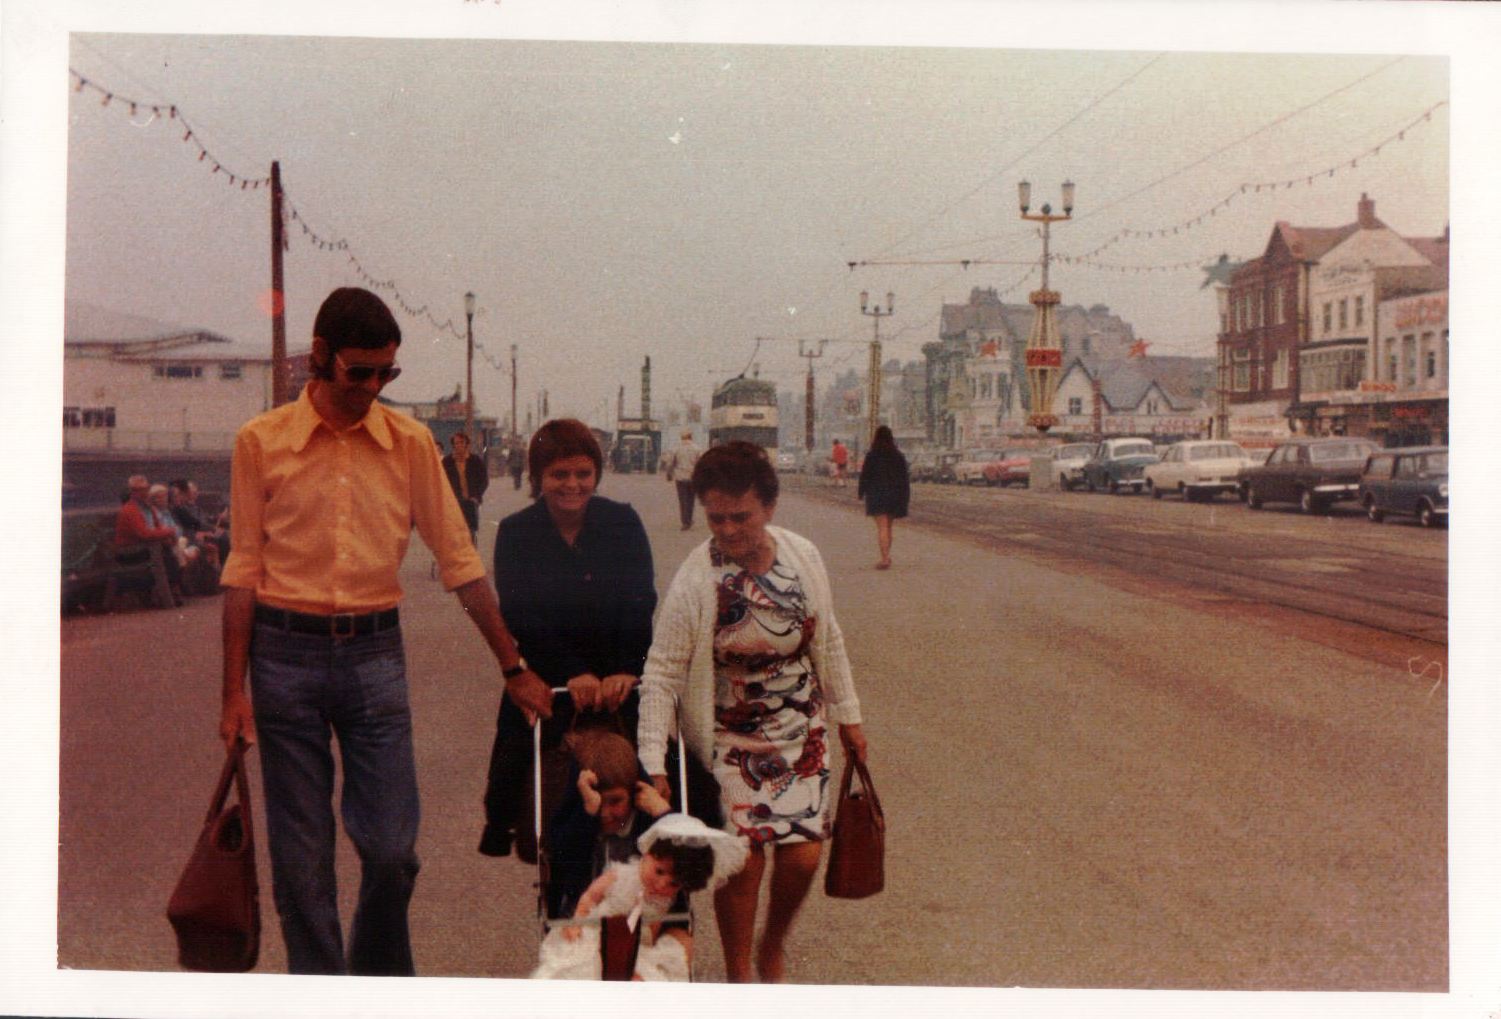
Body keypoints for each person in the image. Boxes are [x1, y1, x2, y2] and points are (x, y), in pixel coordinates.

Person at [217, 286, 552, 976]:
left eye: (385, 374)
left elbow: (459, 561)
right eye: (358, 371)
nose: (372, 387)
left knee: (393, 848)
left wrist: (512, 665)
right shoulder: (261, 441)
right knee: (302, 856)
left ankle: (376, 980)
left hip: (374, 654)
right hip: (282, 658)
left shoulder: (408, 443)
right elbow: (243, 570)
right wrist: (232, 693)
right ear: (320, 357)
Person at [636, 441, 870, 983]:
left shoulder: (802, 556)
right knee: (744, 864)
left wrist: (849, 718)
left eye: (740, 516)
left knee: (803, 859)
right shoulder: (697, 579)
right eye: (715, 517)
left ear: (769, 507)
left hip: (800, 733)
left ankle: (773, 943)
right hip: (730, 740)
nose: (727, 529)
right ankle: (741, 975)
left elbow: (827, 638)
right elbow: (662, 673)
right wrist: (654, 760)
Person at [479, 418, 657, 858]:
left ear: (597, 474)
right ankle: (504, 829)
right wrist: (571, 672)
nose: (572, 485)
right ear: (538, 476)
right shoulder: (517, 532)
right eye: (559, 474)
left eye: (583, 474)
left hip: (620, 672)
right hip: (550, 673)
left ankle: (672, 844)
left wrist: (625, 669)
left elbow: (641, 599)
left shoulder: (623, 522)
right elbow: (519, 613)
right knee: (515, 754)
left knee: (666, 763)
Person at [531, 812, 749, 981]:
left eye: (673, 883)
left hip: (636, 941)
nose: (662, 884)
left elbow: (653, 924)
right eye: (659, 871)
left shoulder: (664, 899)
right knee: (584, 966)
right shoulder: (620, 875)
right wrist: (578, 921)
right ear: (646, 856)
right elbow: (590, 897)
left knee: (642, 968)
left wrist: (647, 943)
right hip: (597, 930)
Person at [545, 728, 673, 920]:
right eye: (599, 802)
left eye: (615, 801)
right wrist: (587, 812)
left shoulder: (647, 822)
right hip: (581, 912)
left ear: (634, 793)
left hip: (643, 915)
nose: (605, 813)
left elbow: (686, 857)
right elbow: (562, 857)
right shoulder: (577, 817)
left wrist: (663, 813)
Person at [113, 474, 185, 604]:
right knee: (165, 553)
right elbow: (143, 534)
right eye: (140, 490)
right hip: (129, 551)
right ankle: (170, 593)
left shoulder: (148, 508)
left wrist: (167, 535)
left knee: (168, 552)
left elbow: (158, 527)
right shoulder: (130, 510)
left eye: (145, 489)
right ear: (133, 492)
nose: (144, 492)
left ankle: (173, 590)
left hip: (147, 547)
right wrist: (169, 532)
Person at [856, 425, 910, 570]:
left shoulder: (872, 455)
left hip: (877, 494)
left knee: (882, 527)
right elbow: (904, 478)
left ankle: (884, 558)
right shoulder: (898, 456)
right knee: (888, 527)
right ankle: (886, 556)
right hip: (894, 494)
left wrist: (861, 492)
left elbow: (865, 475)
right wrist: (904, 497)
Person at [441, 431, 489, 543]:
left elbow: (484, 480)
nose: (459, 445)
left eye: (462, 442)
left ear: (467, 444)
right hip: (453, 502)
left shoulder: (475, 461)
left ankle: (471, 553)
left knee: (471, 530)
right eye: (456, 443)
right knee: (454, 531)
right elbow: (441, 481)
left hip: (471, 502)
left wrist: (476, 496)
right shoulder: (447, 462)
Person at [170, 478, 229, 563]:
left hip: (202, 533)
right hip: (191, 537)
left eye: (196, 492)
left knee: (224, 535)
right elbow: (188, 526)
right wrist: (211, 530)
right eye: (192, 492)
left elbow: (204, 519)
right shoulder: (181, 509)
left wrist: (217, 518)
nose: (195, 494)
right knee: (223, 539)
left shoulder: (195, 507)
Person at [663, 430, 704, 530]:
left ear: (682, 438)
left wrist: (669, 474)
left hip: (680, 477)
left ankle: (685, 522)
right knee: (691, 500)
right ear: (691, 437)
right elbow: (701, 463)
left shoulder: (676, 448)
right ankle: (689, 520)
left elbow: (670, 463)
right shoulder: (697, 449)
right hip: (693, 477)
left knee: (683, 500)